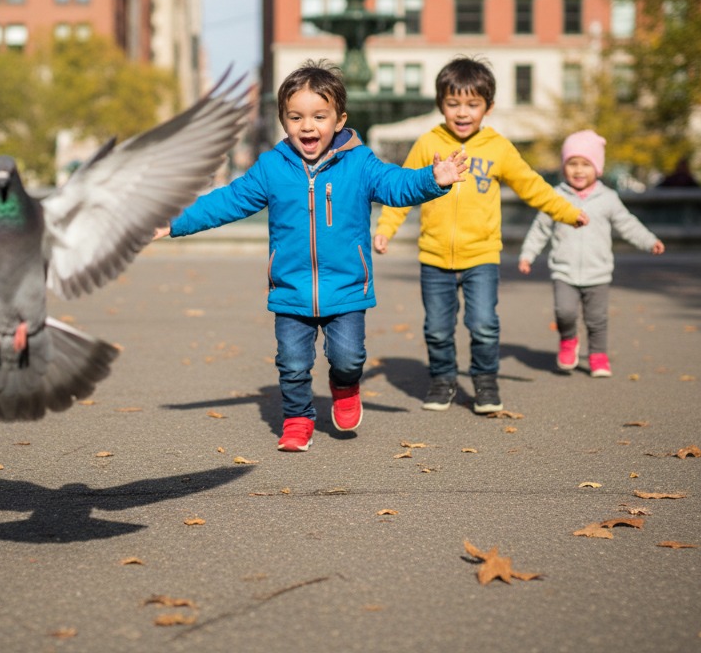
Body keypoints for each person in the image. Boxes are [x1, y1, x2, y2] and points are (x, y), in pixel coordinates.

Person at [157, 61, 469, 452]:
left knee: (348, 357)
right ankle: (297, 418)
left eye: (319, 117)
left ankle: (345, 385)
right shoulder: (272, 167)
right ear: (283, 121)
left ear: (339, 120)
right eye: (296, 117)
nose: (308, 126)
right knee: (292, 363)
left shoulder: (359, 162)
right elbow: (228, 201)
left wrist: (431, 179)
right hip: (291, 287)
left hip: (347, 287)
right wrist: (174, 221)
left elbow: (395, 184)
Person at [374, 56, 587, 414]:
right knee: (437, 328)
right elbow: (405, 188)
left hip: (482, 256)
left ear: (488, 107)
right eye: (453, 103)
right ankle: (443, 380)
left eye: (472, 104)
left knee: (484, 324)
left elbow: (532, 186)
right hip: (434, 256)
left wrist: (566, 212)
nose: (462, 112)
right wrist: (385, 229)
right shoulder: (428, 143)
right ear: (440, 104)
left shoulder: (498, 147)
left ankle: (486, 382)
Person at [517, 130, 665, 377]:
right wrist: (527, 255)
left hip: (598, 272)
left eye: (586, 164)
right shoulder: (555, 197)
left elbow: (627, 224)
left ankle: (598, 355)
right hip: (564, 271)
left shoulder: (608, 198)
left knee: (597, 319)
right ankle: (568, 340)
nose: (578, 170)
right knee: (564, 312)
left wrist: (649, 241)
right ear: (564, 167)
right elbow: (540, 229)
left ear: (597, 168)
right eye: (572, 163)